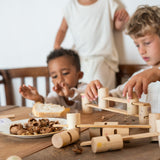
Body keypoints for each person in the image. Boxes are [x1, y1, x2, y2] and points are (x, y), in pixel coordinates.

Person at [85, 5, 160, 113]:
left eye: (147, 43)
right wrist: (98, 94)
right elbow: (116, 98)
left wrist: (156, 73)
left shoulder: (149, 74)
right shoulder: (139, 77)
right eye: (137, 45)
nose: (141, 51)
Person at [54, 0, 129, 89]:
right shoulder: (71, 6)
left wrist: (121, 19)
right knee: (82, 96)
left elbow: (118, 27)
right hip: (80, 62)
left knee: (102, 94)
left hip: (103, 60)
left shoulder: (106, 3)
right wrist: (56, 45)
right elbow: (62, 29)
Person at [19, 48, 86, 110]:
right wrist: (38, 99)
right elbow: (47, 106)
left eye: (65, 73)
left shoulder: (85, 89)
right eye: (54, 76)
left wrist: (70, 93)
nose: (60, 79)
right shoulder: (55, 95)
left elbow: (88, 97)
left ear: (79, 75)